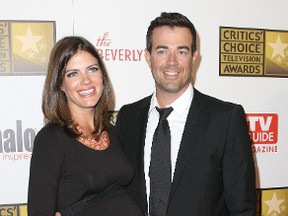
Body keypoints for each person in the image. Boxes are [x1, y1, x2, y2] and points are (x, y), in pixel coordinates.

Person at [116, 12, 257, 215]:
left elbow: (242, 208)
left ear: (194, 56)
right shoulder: (128, 118)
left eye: (181, 52)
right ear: (148, 56)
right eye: (162, 51)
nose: (171, 61)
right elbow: (115, 189)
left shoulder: (225, 119)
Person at [28, 36, 144, 216]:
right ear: (59, 84)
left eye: (92, 69)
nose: (86, 80)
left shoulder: (114, 133)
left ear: (102, 76)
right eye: (73, 73)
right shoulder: (51, 139)